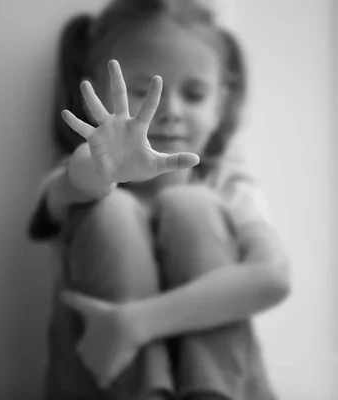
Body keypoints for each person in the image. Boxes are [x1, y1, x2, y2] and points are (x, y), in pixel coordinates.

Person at [26, 1, 291, 399]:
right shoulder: (78, 176)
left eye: (195, 94)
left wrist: (135, 323)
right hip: (101, 382)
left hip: (227, 385)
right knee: (109, 209)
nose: (170, 112)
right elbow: (77, 180)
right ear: (93, 93)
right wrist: (107, 168)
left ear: (221, 105)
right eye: (142, 92)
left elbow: (273, 277)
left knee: (192, 206)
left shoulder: (228, 185)